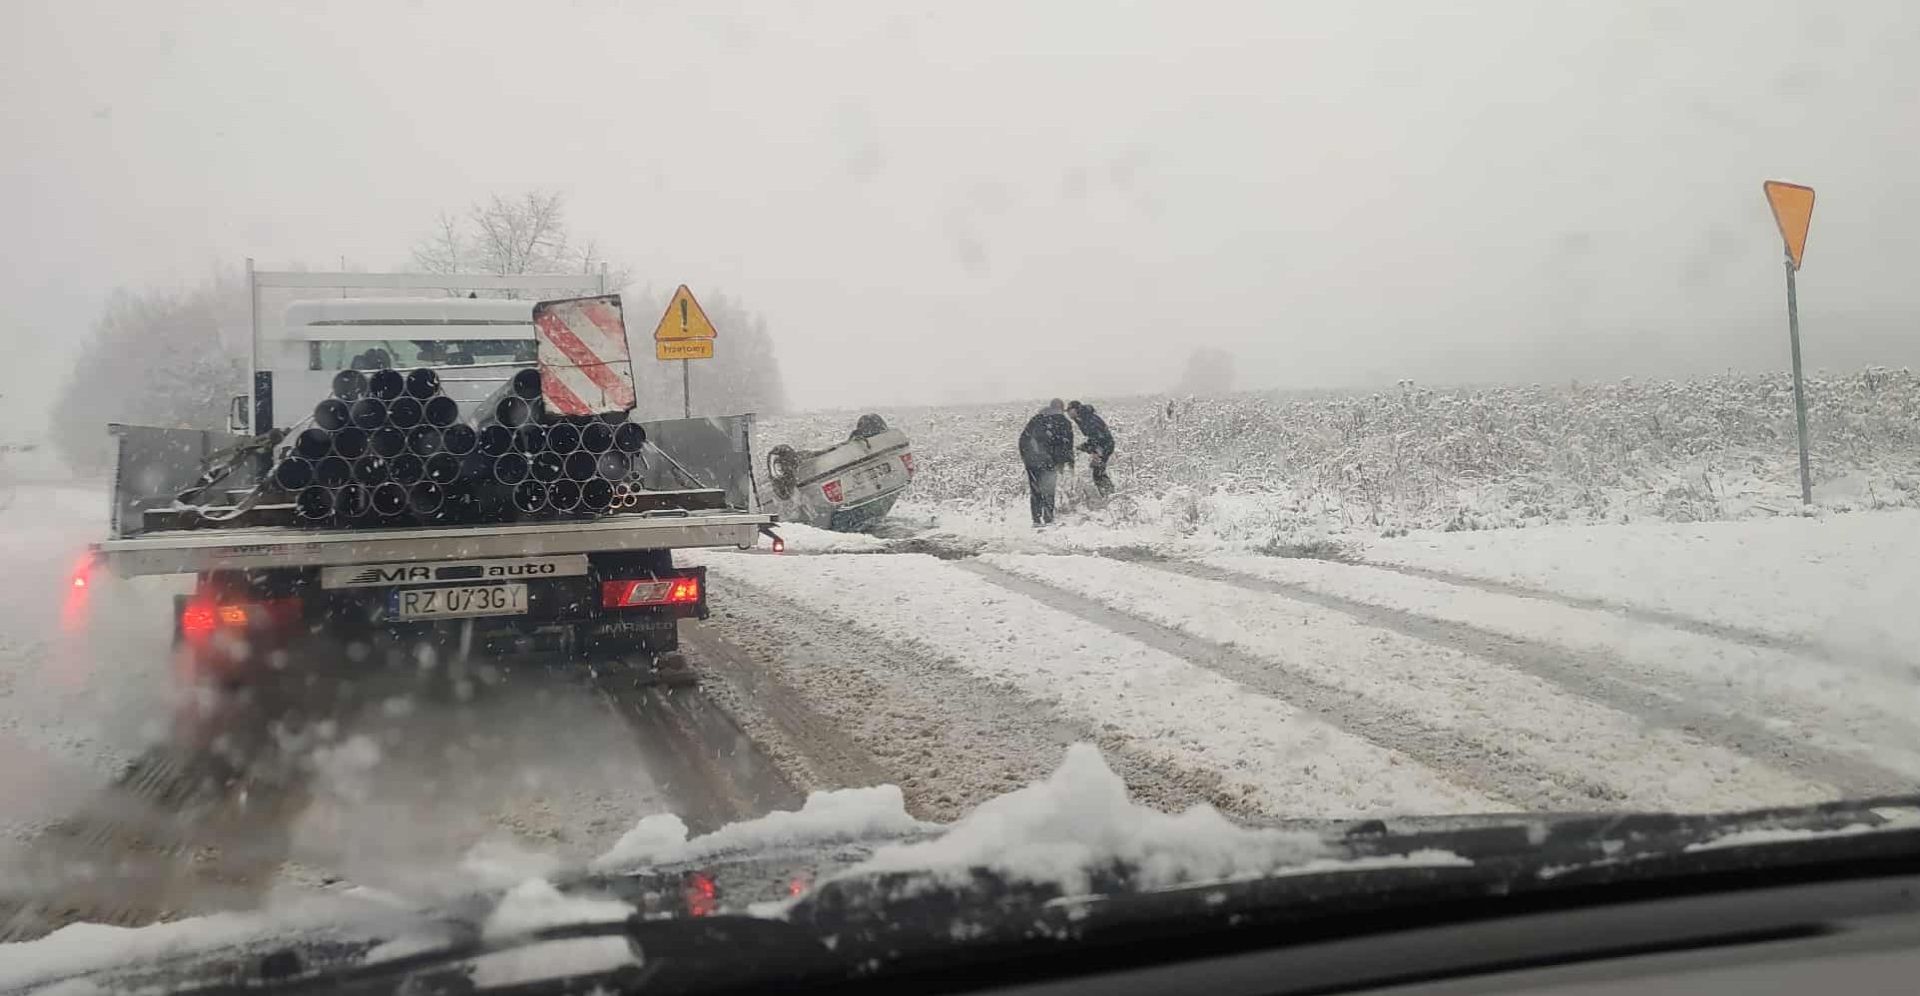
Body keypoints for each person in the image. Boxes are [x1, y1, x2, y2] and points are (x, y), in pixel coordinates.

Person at [1017, 399, 1076, 527]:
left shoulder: (1036, 420)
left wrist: (1026, 458)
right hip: (1049, 461)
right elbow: (1066, 445)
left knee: (1035, 490)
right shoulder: (1063, 422)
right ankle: (1048, 519)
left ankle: (1036, 520)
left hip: (1032, 461)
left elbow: (1023, 439)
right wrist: (1067, 464)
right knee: (1049, 490)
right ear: (1061, 408)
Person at [1067, 400, 1116, 496]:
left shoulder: (1088, 419)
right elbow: (1093, 436)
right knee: (1098, 472)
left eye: (1070, 410)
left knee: (1098, 473)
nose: (1068, 413)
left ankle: (1110, 496)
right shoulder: (1082, 418)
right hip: (1101, 446)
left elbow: (1098, 436)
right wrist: (1086, 446)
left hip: (1103, 446)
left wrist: (1095, 450)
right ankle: (1109, 495)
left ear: (1076, 409)